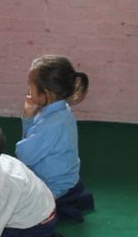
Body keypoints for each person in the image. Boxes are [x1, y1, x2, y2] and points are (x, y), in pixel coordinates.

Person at [15, 55, 94, 222]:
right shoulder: (60, 111)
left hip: (54, 187)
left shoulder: (53, 123)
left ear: (46, 94)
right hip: (64, 180)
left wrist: (27, 119)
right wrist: (29, 118)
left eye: (31, 85)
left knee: (8, 203)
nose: (28, 89)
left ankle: (52, 209)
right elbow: (30, 144)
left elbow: (23, 156)